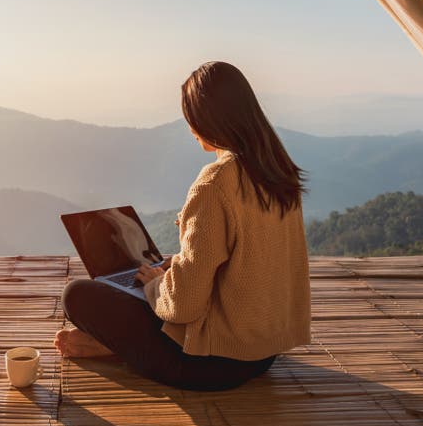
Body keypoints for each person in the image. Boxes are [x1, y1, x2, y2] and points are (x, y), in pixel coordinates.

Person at [55, 61, 312, 391]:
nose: (189, 126)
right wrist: (176, 266)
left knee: (77, 295)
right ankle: (119, 345)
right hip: (263, 354)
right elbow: (247, 260)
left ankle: (113, 347)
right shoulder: (277, 170)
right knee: (147, 285)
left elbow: (182, 307)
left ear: (205, 120)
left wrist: (156, 285)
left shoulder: (215, 184)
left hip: (212, 363)